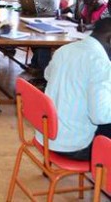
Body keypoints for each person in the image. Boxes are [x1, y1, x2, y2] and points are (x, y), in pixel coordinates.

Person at [34, 18, 111, 161]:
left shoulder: (65, 49)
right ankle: (103, 181)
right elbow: (99, 116)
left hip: (45, 135)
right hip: (73, 147)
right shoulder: (102, 64)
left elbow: (48, 74)